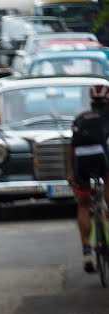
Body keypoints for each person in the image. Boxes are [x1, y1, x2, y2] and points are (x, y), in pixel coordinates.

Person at [67, 82, 109, 273]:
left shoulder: (80, 118)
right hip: (101, 159)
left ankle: (86, 252)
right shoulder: (107, 116)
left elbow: (72, 147)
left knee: (83, 204)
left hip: (80, 163)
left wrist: (70, 172)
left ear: (91, 101)